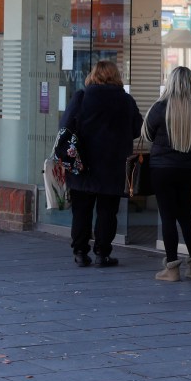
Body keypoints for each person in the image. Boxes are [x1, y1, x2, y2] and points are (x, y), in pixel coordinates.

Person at [62, 60, 143, 267]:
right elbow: (137, 129)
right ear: (115, 76)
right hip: (113, 166)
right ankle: (102, 253)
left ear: (93, 75)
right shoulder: (125, 101)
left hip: (82, 165)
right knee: (108, 211)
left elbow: (65, 126)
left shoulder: (82, 97)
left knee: (81, 210)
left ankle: (80, 252)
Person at [145, 67, 191, 282]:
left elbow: (149, 135)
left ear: (170, 82)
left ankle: (171, 269)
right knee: (186, 215)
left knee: (168, 217)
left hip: (162, 169)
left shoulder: (159, 108)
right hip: (188, 169)